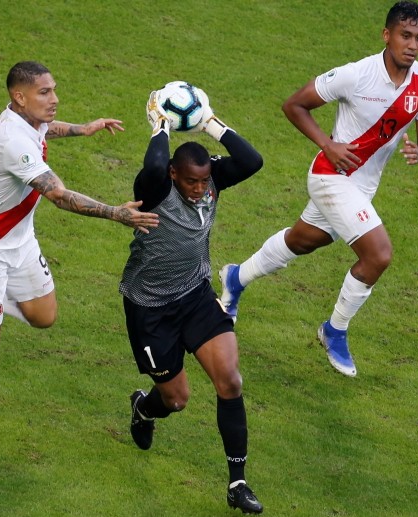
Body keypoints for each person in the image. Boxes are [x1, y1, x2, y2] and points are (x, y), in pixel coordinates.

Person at [220, 1, 418, 377]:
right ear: (387, 35)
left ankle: (234, 278)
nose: (413, 45)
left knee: (303, 241)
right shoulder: (355, 75)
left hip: (362, 188)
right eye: (405, 35)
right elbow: (294, 105)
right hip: (330, 177)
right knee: (379, 255)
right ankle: (334, 330)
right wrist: (328, 144)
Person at [0, 61, 159, 419]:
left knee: (43, 316)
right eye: (44, 92)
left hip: (20, 243)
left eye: (53, 89)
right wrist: (116, 213)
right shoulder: (13, 142)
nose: (54, 99)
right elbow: (59, 195)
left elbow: (46, 130)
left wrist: (83, 130)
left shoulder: (26, 120)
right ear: (19, 96)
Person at [120, 87, 265, 514]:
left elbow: (251, 161)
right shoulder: (155, 188)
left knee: (230, 381)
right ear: (172, 176)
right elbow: (153, 164)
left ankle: (237, 482)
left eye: (205, 181)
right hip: (150, 309)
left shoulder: (212, 181)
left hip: (196, 295)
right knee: (176, 399)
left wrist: (209, 122)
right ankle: (143, 409)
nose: (201, 189)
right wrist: (160, 125)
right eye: (191, 182)